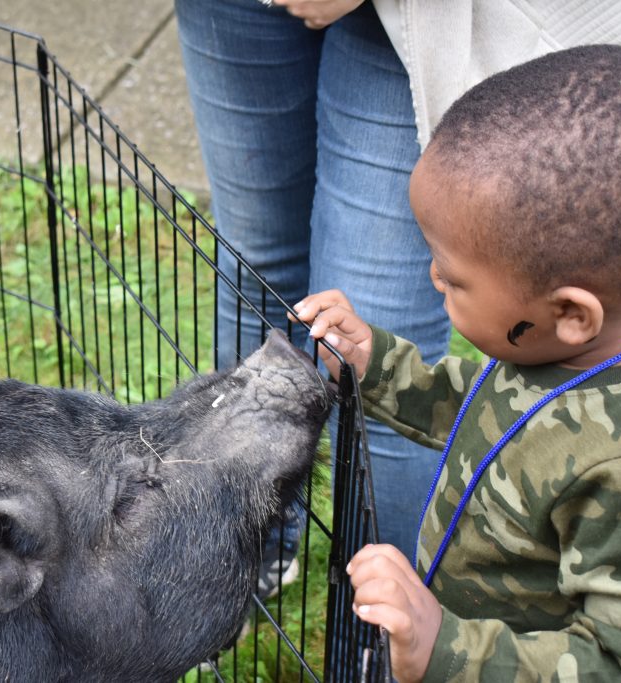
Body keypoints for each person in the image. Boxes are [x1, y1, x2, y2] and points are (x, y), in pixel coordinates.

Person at [295, 45, 621, 680]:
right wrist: (378, 368)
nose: (433, 278)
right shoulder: (549, 346)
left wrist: (442, 646)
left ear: (572, 313)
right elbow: (488, 410)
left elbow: (615, 663)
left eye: (453, 280)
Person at [175, 0, 450, 596]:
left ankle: (381, 634)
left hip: (418, 15)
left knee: (375, 338)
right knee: (256, 268)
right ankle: (249, 541)